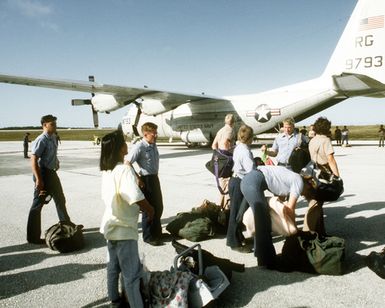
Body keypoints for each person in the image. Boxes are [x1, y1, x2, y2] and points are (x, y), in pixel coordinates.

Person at [99, 130, 154, 308]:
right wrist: (150, 210)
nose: (127, 145)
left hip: (111, 226)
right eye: (124, 143)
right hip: (124, 229)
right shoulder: (123, 170)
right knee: (131, 275)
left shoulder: (107, 170)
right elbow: (135, 196)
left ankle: (114, 300)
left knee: (113, 267)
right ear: (119, 148)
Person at [240, 166, 304, 269]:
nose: (303, 196)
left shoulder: (289, 177)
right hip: (252, 182)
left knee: (260, 220)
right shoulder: (299, 182)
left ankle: (259, 252)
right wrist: (293, 231)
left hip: (249, 180)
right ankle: (266, 261)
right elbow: (291, 209)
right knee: (263, 222)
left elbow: (281, 204)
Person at [27, 115, 77, 244]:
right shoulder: (41, 140)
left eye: (55, 124)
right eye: (52, 124)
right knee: (38, 204)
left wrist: (56, 161)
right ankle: (33, 237)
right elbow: (33, 161)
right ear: (44, 125)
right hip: (42, 173)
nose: (55, 126)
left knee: (60, 199)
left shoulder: (53, 137)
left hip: (51, 173)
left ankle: (66, 225)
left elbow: (52, 153)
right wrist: (38, 180)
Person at [126, 122, 164, 246]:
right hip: (146, 180)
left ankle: (157, 232)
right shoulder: (139, 146)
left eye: (156, 132)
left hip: (154, 179)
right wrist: (137, 178)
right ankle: (148, 236)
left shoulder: (153, 145)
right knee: (149, 209)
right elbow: (127, 162)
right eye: (153, 132)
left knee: (159, 206)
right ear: (145, 133)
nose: (156, 135)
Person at [303, 117, 340, 235]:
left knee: (317, 202)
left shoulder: (312, 140)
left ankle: (320, 232)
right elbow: (331, 159)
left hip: (311, 173)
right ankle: (306, 233)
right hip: (322, 174)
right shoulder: (326, 140)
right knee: (315, 204)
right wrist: (337, 176)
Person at [226, 124, 255, 253]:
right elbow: (251, 170)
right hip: (239, 182)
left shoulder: (239, 147)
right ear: (250, 138)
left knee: (237, 212)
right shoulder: (245, 151)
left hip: (235, 180)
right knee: (237, 214)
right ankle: (233, 242)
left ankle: (238, 236)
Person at [211, 113, 236, 209]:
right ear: (233, 122)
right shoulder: (230, 130)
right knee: (226, 184)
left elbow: (213, 146)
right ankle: (223, 208)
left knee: (223, 184)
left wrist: (219, 155)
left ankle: (221, 206)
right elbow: (226, 145)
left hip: (220, 159)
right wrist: (235, 146)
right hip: (227, 159)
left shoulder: (220, 130)